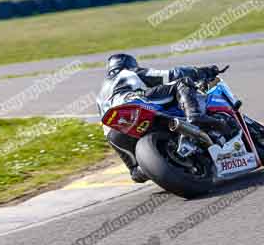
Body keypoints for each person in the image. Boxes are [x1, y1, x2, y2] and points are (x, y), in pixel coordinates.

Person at [98, 53, 264, 183]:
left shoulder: (101, 95)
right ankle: (195, 115)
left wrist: (138, 168)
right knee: (181, 82)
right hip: (133, 102)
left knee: (136, 171)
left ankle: (139, 166)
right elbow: (171, 74)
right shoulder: (128, 72)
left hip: (115, 131)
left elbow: (108, 132)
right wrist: (203, 72)